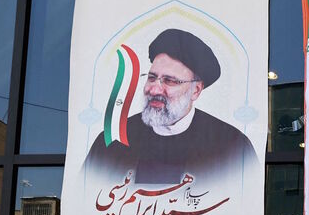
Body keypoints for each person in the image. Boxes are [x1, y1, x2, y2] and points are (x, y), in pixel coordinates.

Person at [85, 28, 257, 187]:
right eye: (152, 78)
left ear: (195, 91)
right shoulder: (112, 141)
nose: (154, 89)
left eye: (170, 81)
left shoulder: (233, 147)